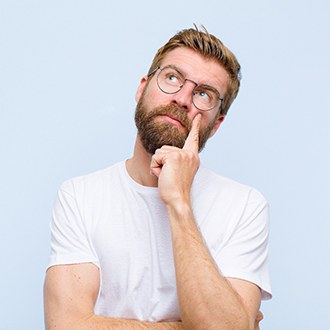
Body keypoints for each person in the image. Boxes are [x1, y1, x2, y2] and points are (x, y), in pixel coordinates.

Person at [44, 25, 272, 329]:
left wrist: (179, 202)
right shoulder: (80, 195)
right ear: (142, 88)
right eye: (172, 78)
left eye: (203, 94)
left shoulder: (244, 205)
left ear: (216, 124)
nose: (182, 98)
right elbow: (65, 326)